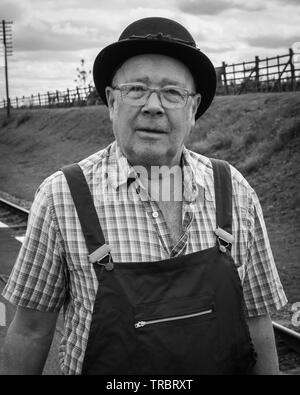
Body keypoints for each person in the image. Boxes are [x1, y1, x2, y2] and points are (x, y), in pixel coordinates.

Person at [1, 17, 287, 375]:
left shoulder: (234, 191)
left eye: (172, 92)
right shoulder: (62, 197)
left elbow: (257, 322)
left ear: (193, 108)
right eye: (136, 89)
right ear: (111, 101)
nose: (154, 105)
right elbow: (29, 332)